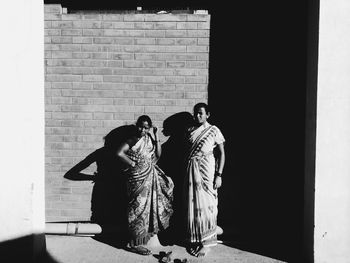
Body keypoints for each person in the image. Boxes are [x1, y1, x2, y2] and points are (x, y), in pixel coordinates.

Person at [116, 115, 174, 255]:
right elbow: (119, 153)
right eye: (140, 126)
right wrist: (132, 163)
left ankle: (141, 240)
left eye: (146, 128)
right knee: (137, 209)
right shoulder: (133, 139)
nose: (142, 130)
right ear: (136, 125)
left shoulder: (149, 138)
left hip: (149, 176)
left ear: (149, 128)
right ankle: (134, 243)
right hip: (137, 178)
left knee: (147, 210)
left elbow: (158, 155)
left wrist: (156, 136)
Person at [184, 102, 226, 257]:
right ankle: (197, 239)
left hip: (208, 171)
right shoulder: (189, 131)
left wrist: (219, 175)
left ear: (208, 114)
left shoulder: (213, 130)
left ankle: (207, 242)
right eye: (196, 113)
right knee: (193, 205)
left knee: (209, 205)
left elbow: (222, 154)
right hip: (191, 171)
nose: (198, 116)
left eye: (201, 113)